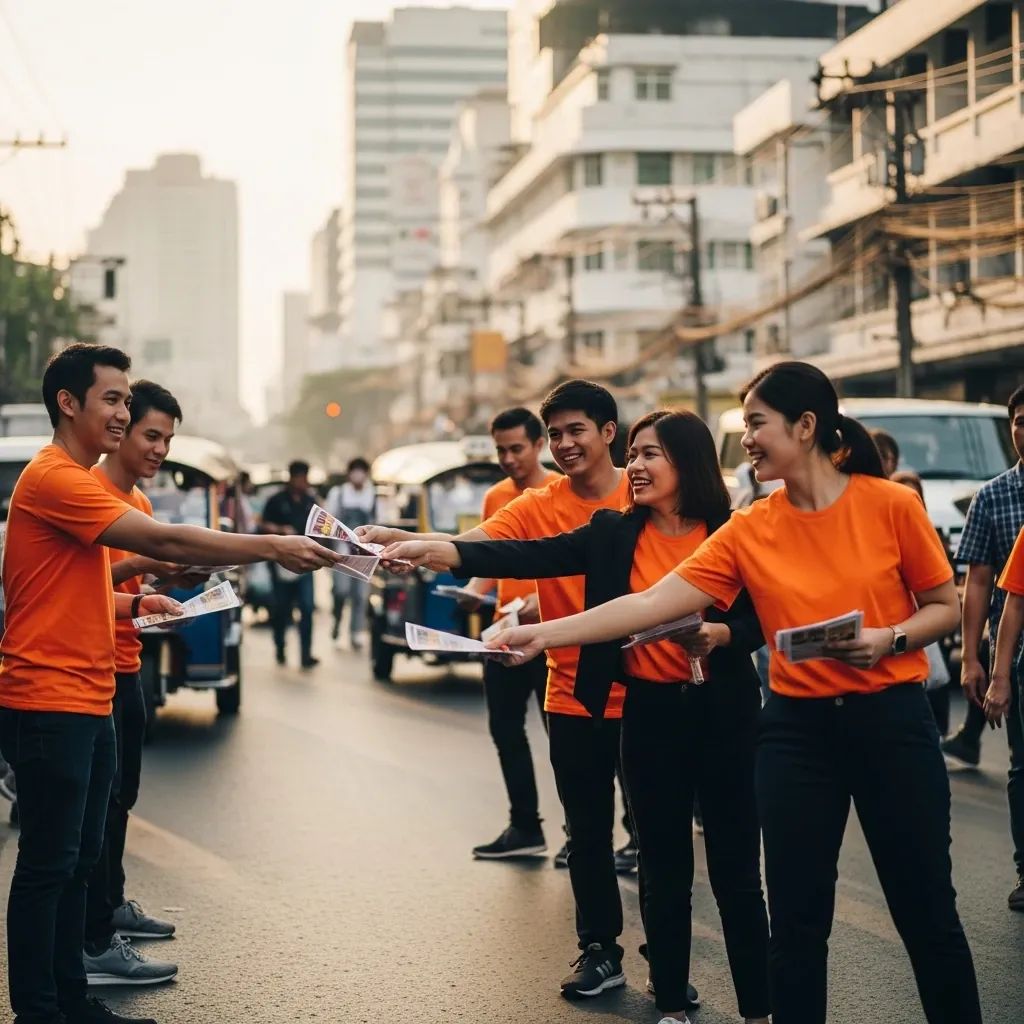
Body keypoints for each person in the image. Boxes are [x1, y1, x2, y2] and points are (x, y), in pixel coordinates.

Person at [483, 361, 981, 1024]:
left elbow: (943, 607)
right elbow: (649, 603)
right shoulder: (748, 526)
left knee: (926, 915)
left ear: (805, 427)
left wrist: (890, 638)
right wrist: (545, 635)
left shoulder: (889, 505)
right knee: (798, 924)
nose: (745, 438)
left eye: (755, 423)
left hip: (891, 722)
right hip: (794, 733)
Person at [386, 410, 770, 1024]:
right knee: (661, 863)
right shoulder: (612, 532)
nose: (636, 468)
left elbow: (760, 615)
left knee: (735, 870)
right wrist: (430, 550)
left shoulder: (733, 531)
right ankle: (670, 1000)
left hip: (721, 715)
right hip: (646, 714)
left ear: (689, 463)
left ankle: (759, 1008)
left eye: (651, 456)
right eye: (636, 455)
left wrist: (724, 633)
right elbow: (525, 554)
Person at [0, 344, 344, 1024]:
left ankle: (72, 999)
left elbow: (72, 588)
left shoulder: (82, 483)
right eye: (113, 399)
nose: (125, 414)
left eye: (129, 400)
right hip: (49, 700)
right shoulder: (55, 477)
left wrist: (135, 601)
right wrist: (272, 546)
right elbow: (173, 541)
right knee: (48, 866)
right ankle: (40, 1011)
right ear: (68, 404)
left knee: (78, 861)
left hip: (89, 695)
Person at [361, 380, 662, 1004]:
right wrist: (410, 544)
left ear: (610, 433)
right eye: (555, 434)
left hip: (646, 690)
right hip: (571, 690)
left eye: (576, 430)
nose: (564, 443)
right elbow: (483, 545)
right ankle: (600, 949)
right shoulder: (537, 504)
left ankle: (666, 950)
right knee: (586, 832)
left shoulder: (648, 500)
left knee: (655, 833)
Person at [84, 381, 188, 987]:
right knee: (92, 812)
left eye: (166, 439)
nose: (158, 449)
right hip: (90, 668)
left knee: (121, 797)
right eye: (151, 435)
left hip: (129, 662)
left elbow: (124, 595)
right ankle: (95, 935)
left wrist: (157, 592)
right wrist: (150, 563)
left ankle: (111, 907)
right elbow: (83, 589)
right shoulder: (88, 494)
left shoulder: (139, 506)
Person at [460, 408, 558, 861]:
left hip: (553, 633)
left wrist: (545, 603)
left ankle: (583, 834)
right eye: (500, 449)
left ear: (539, 445)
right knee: (505, 729)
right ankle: (525, 827)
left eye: (516, 448)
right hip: (502, 634)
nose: (508, 458)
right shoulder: (496, 496)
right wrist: (472, 589)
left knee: (566, 737)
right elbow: (488, 559)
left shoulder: (561, 493)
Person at [950, 384, 1024, 910]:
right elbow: (979, 583)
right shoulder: (994, 496)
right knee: (1023, 767)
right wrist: (974, 659)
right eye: (1019, 420)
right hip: (1015, 654)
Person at [261, 460, 320, 669]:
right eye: (300, 477)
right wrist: (279, 529)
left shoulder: (311, 501)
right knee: (281, 609)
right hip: (281, 564)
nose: (303, 482)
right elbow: (262, 524)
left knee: (307, 607)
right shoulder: (276, 501)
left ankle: (306, 654)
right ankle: (280, 647)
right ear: (292, 478)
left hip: (306, 564)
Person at [326, 457, 376, 650]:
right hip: (341, 552)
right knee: (341, 591)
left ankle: (355, 632)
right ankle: (337, 620)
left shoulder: (372, 495)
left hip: (364, 554)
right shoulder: (338, 494)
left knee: (360, 596)